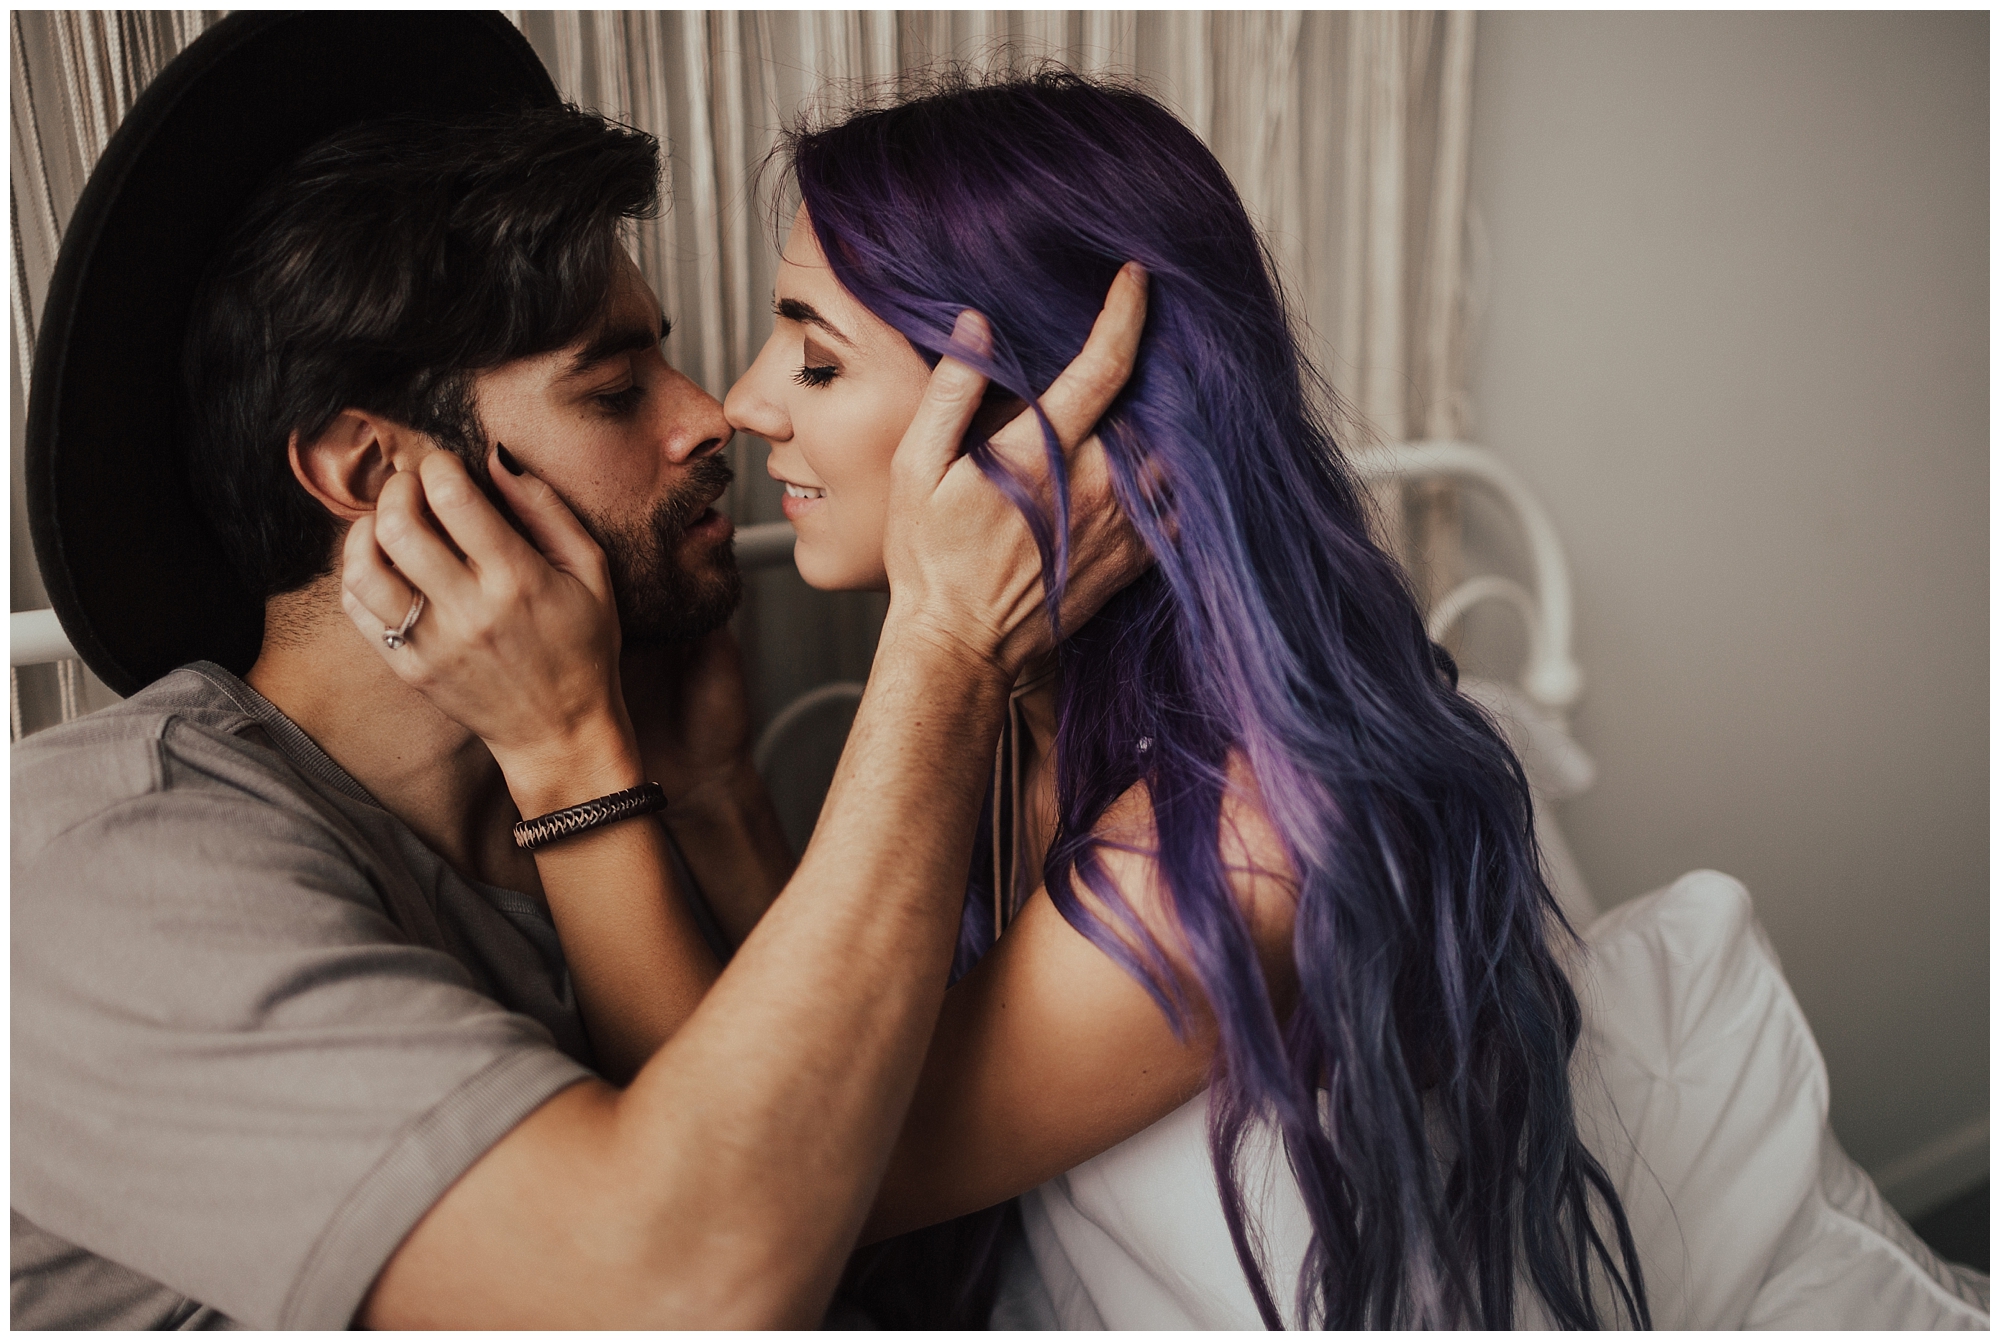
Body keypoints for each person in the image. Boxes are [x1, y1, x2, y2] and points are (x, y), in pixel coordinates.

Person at [351, 69, 1652, 1328]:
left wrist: (570, 754)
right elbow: (822, 1062)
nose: (743, 405)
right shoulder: (1020, 709)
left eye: (816, 361)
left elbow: (785, 1190)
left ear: (1037, 420)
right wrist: (717, 789)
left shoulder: (1236, 841)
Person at [11, 15, 1148, 1328]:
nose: (710, 415)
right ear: (374, 476)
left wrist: (714, 794)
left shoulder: (582, 816)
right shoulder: (104, 856)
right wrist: (944, 647)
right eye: (614, 391)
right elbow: (677, 1293)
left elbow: (825, 1219)